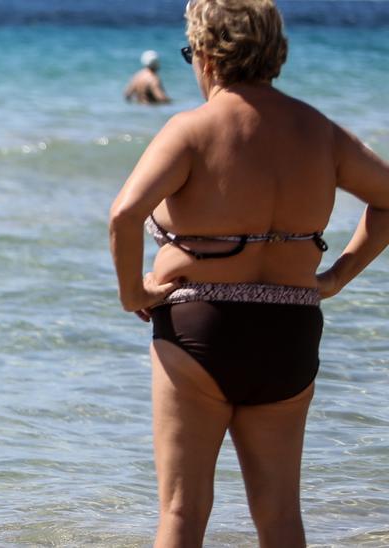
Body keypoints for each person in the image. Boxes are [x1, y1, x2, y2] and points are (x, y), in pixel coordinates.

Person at [108, 0, 389, 545]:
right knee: (280, 514)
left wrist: (132, 292)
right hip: (289, 328)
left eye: (191, 52)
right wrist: (336, 276)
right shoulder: (319, 131)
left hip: (199, 326)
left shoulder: (192, 129)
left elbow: (124, 214)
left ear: (209, 56)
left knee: (183, 512)